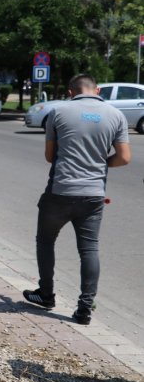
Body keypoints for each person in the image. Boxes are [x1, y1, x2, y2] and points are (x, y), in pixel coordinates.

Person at [23, 74, 130, 325]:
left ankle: (46, 295)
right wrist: (99, 165)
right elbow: (124, 158)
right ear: (98, 89)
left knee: (46, 241)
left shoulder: (58, 112)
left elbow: (50, 156)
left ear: (71, 92)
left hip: (60, 191)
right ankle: (84, 308)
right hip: (93, 195)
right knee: (89, 249)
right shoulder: (116, 115)